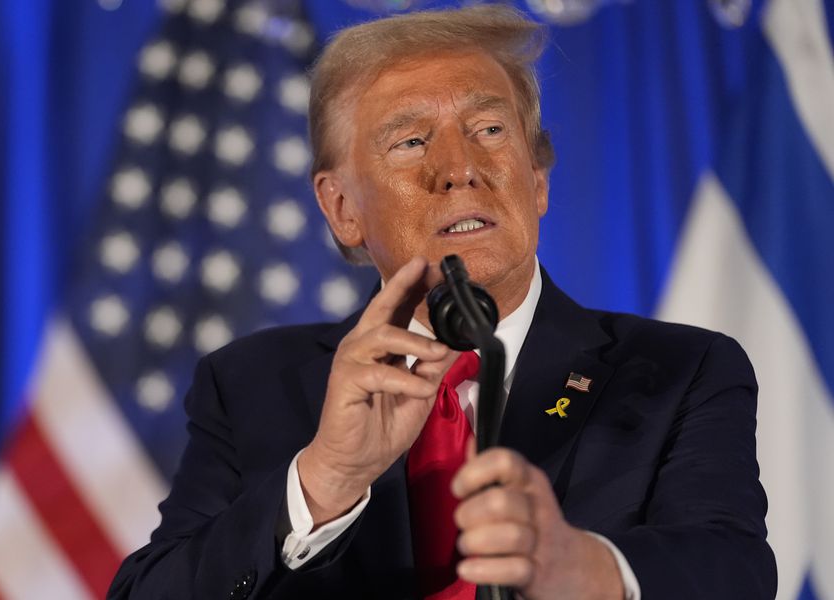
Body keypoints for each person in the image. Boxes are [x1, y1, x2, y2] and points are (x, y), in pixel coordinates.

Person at [108, 6, 776, 599]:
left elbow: (734, 570)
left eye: (489, 129)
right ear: (342, 209)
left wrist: (586, 571)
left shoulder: (679, 370)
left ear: (537, 180)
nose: (459, 167)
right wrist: (324, 480)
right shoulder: (251, 383)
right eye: (411, 141)